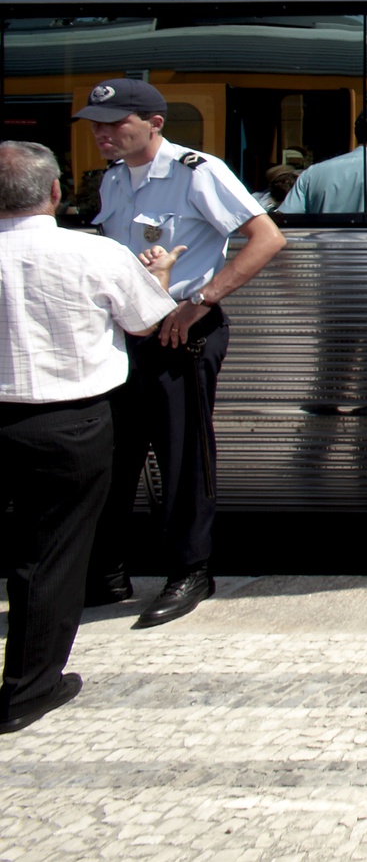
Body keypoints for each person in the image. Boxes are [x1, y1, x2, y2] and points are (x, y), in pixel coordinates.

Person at [75, 79, 287, 628]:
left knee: (182, 453)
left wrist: (201, 300)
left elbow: (266, 238)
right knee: (114, 454)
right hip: (127, 334)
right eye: (97, 123)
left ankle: (190, 570)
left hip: (181, 331)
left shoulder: (198, 170)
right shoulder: (114, 179)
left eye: (116, 122)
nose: (102, 132)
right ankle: (108, 571)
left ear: (155, 123)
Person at [0, 141, 183, 733]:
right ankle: (28, 690)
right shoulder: (95, 253)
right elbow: (146, 321)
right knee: (49, 554)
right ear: (56, 192)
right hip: (69, 423)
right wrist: (159, 276)